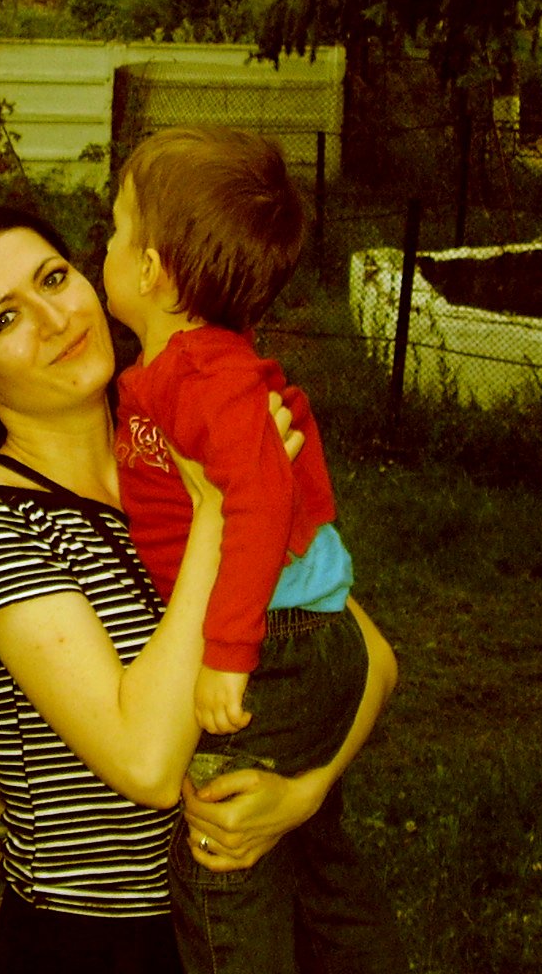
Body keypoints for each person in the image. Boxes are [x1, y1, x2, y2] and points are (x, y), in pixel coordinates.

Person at [0, 204, 396, 974]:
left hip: (252, 906)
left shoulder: (177, 435)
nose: (56, 318)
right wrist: (219, 514)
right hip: (98, 941)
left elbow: (371, 656)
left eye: (55, 278)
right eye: (5, 318)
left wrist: (304, 794)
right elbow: (146, 764)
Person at [104, 125, 393, 973]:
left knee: (218, 860)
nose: (104, 246)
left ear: (150, 269)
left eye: (115, 228)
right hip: (293, 630)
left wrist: (229, 655)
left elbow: (261, 498)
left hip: (277, 639)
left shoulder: (208, 376)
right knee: (310, 852)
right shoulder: (177, 370)